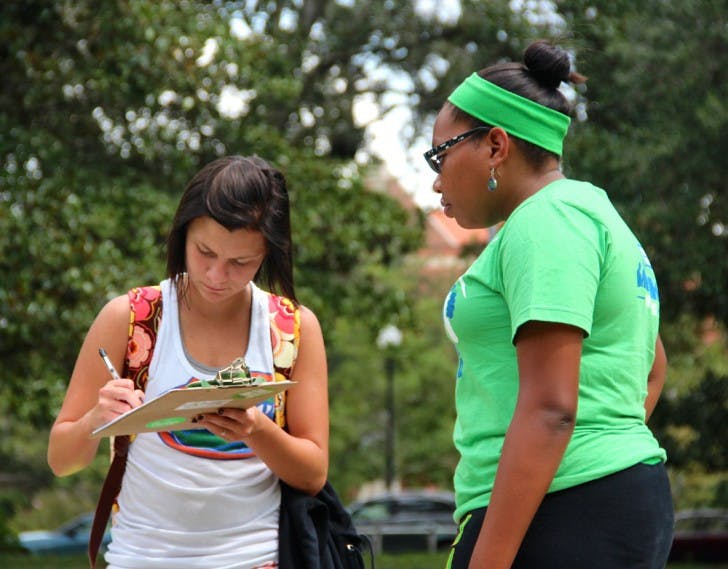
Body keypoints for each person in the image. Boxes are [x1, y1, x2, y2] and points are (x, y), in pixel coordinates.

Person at [424, 41, 673, 569]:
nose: (436, 178)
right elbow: (651, 368)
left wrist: (488, 559)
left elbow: (551, 408)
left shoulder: (546, 223)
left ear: (495, 145)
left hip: (560, 511)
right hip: (591, 500)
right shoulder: (593, 214)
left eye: (440, 154)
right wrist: (607, 450)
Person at [48, 155, 329, 569]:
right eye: (205, 252)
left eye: (240, 263)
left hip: (255, 558)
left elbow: (313, 473)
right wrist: (96, 420)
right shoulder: (131, 319)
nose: (217, 275)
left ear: (268, 253)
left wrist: (256, 431)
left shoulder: (292, 328)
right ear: (182, 234)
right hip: (142, 558)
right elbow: (60, 459)